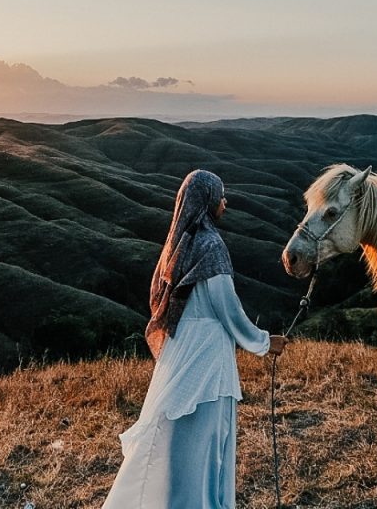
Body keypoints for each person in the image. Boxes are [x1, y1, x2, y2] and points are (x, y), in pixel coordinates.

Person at [103, 169, 286, 509]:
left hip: (180, 347)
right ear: (208, 201)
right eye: (221, 196)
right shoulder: (211, 245)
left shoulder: (177, 243)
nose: (225, 202)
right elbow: (227, 309)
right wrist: (263, 342)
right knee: (206, 440)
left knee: (172, 436)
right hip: (206, 357)